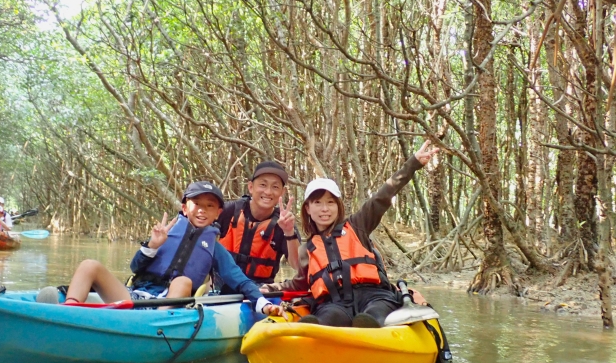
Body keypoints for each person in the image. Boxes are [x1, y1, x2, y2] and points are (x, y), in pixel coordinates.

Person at [261, 141, 439, 327]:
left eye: (330, 202)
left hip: (374, 296)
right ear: (308, 208)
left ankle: (371, 328)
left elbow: (384, 194)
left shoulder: (358, 225)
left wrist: (414, 163)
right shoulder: (308, 249)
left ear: (338, 206)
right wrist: (265, 288)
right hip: (335, 303)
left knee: (374, 313)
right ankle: (315, 330)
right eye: (318, 203)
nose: (325, 209)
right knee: (328, 317)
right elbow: (298, 284)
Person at [44, 181, 280, 315]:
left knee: (183, 281)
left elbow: (240, 280)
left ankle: (155, 325)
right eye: (196, 204)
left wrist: (262, 302)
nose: (201, 210)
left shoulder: (215, 248)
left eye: (209, 206)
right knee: (89, 265)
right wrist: (151, 246)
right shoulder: (166, 234)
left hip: (169, 309)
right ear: (184, 207)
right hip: (136, 297)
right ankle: (69, 311)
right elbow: (135, 266)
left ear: (218, 213)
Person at [217, 161, 301, 291]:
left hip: (260, 288)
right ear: (251, 187)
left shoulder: (284, 222)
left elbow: (298, 265)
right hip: (221, 284)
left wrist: (289, 231)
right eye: (263, 185)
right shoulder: (229, 211)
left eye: (275, 187)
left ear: (282, 192)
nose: (268, 192)